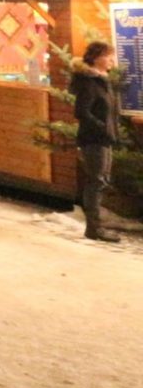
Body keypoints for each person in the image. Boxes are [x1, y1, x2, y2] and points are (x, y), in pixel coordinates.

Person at [71, 40, 122, 242]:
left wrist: (111, 130)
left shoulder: (103, 80)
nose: (112, 60)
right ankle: (94, 228)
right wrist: (101, 127)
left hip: (105, 138)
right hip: (94, 139)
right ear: (96, 58)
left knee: (101, 181)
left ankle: (96, 226)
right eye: (108, 56)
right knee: (96, 181)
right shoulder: (89, 82)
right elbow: (81, 111)